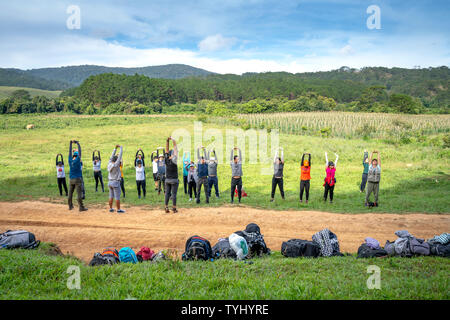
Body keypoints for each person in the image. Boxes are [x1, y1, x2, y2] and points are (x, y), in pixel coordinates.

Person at [68, 140, 87, 211]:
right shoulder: (78, 160)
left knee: (70, 193)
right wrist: (78, 143)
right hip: (77, 179)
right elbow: (80, 152)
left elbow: (69, 152)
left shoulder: (70, 160)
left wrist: (70, 144)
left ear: (73, 156)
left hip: (71, 179)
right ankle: (81, 207)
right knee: (79, 193)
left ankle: (70, 206)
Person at [108, 145, 125, 213]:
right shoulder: (116, 164)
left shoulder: (109, 164)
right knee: (117, 197)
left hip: (110, 182)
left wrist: (115, 149)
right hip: (116, 182)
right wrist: (121, 148)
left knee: (111, 196)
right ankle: (118, 209)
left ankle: (111, 208)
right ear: (116, 160)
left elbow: (111, 157)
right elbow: (120, 156)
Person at [164, 137, 179, 213]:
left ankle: (166, 207)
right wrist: (173, 140)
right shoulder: (174, 160)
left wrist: (167, 141)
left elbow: (166, 150)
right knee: (174, 194)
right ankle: (174, 208)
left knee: (167, 193)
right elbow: (175, 149)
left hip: (167, 180)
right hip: (174, 180)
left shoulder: (167, 159)